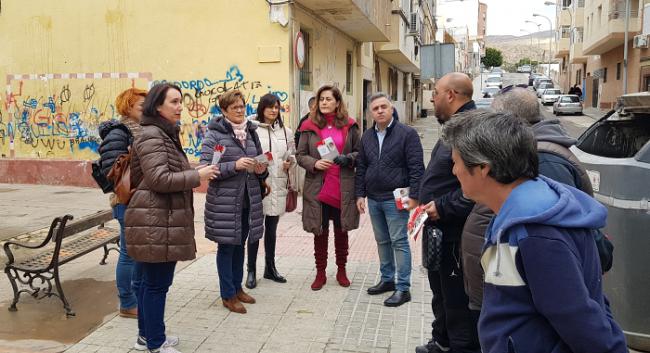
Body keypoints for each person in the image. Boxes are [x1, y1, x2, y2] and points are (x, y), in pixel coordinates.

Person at [441, 109, 627, 353]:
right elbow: (510, 288)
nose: (454, 171)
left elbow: (578, 317)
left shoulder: (536, 231)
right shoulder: (512, 213)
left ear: (483, 167)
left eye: (455, 162)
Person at [461, 88, 613, 312]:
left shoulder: (545, 161)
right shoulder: (530, 153)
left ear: (511, 122)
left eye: (494, 118)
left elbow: (569, 304)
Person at [124, 83, 218, 353]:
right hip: (155, 221)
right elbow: (159, 179)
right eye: (174, 102)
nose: (180, 107)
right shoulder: (153, 135)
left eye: (180, 101)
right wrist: (197, 176)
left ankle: (146, 337)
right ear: (157, 107)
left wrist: (192, 171)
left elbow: (163, 171)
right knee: (155, 285)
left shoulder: (161, 133)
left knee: (146, 282)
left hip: (155, 218)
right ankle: (156, 342)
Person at [415, 72, 480, 353]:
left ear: (451, 95)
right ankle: (441, 341)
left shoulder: (470, 129)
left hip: (457, 236)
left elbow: (478, 187)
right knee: (441, 295)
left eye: (436, 93)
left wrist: (441, 206)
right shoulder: (455, 126)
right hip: (440, 232)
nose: (432, 98)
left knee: (457, 303)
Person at [200, 89, 267, 314]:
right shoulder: (214, 134)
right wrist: (234, 166)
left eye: (242, 106)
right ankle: (227, 295)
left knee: (240, 244)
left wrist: (260, 168)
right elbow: (204, 168)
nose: (240, 110)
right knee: (227, 247)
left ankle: (237, 288)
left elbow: (259, 157)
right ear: (224, 111)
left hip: (248, 199)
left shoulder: (251, 131)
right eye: (234, 107)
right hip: (225, 202)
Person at [355, 92, 424, 307]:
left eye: (384, 106)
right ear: (371, 113)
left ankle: (403, 288)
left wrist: (415, 196)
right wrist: (360, 194)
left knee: (399, 241)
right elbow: (361, 167)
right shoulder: (366, 136)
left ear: (392, 108)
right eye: (375, 108)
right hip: (374, 198)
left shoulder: (407, 134)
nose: (380, 111)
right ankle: (387, 280)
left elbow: (416, 167)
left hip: (396, 199)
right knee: (382, 241)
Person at [296, 85, 360, 291]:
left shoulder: (350, 126)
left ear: (338, 102)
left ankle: (342, 270)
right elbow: (300, 154)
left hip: (343, 187)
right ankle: (320, 273)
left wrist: (347, 158)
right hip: (318, 188)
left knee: (342, 232)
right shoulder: (308, 126)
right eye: (321, 99)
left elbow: (361, 153)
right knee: (320, 232)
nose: (323, 102)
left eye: (328, 99)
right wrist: (313, 163)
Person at [98, 87, 147, 319]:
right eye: (141, 106)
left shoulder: (146, 129)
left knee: (138, 252)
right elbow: (111, 170)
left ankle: (137, 294)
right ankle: (127, 302)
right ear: (128, 107)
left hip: (142, 200)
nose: (146, 110)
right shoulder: (118, 132)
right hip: (125, 201)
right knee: (128, 253)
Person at [245, 93, 295, 289]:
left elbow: (293, 155)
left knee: (272, 230)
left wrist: (290, 162)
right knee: (255, 229)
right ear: (262, 107)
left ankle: (270, 268)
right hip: (259, 185)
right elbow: (249, 154)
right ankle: (251, 270)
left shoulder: (286, 132)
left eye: (277, 107)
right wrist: (264, 164)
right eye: (270, 106)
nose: (274, 110)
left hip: (278, 185)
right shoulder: (252, 128)